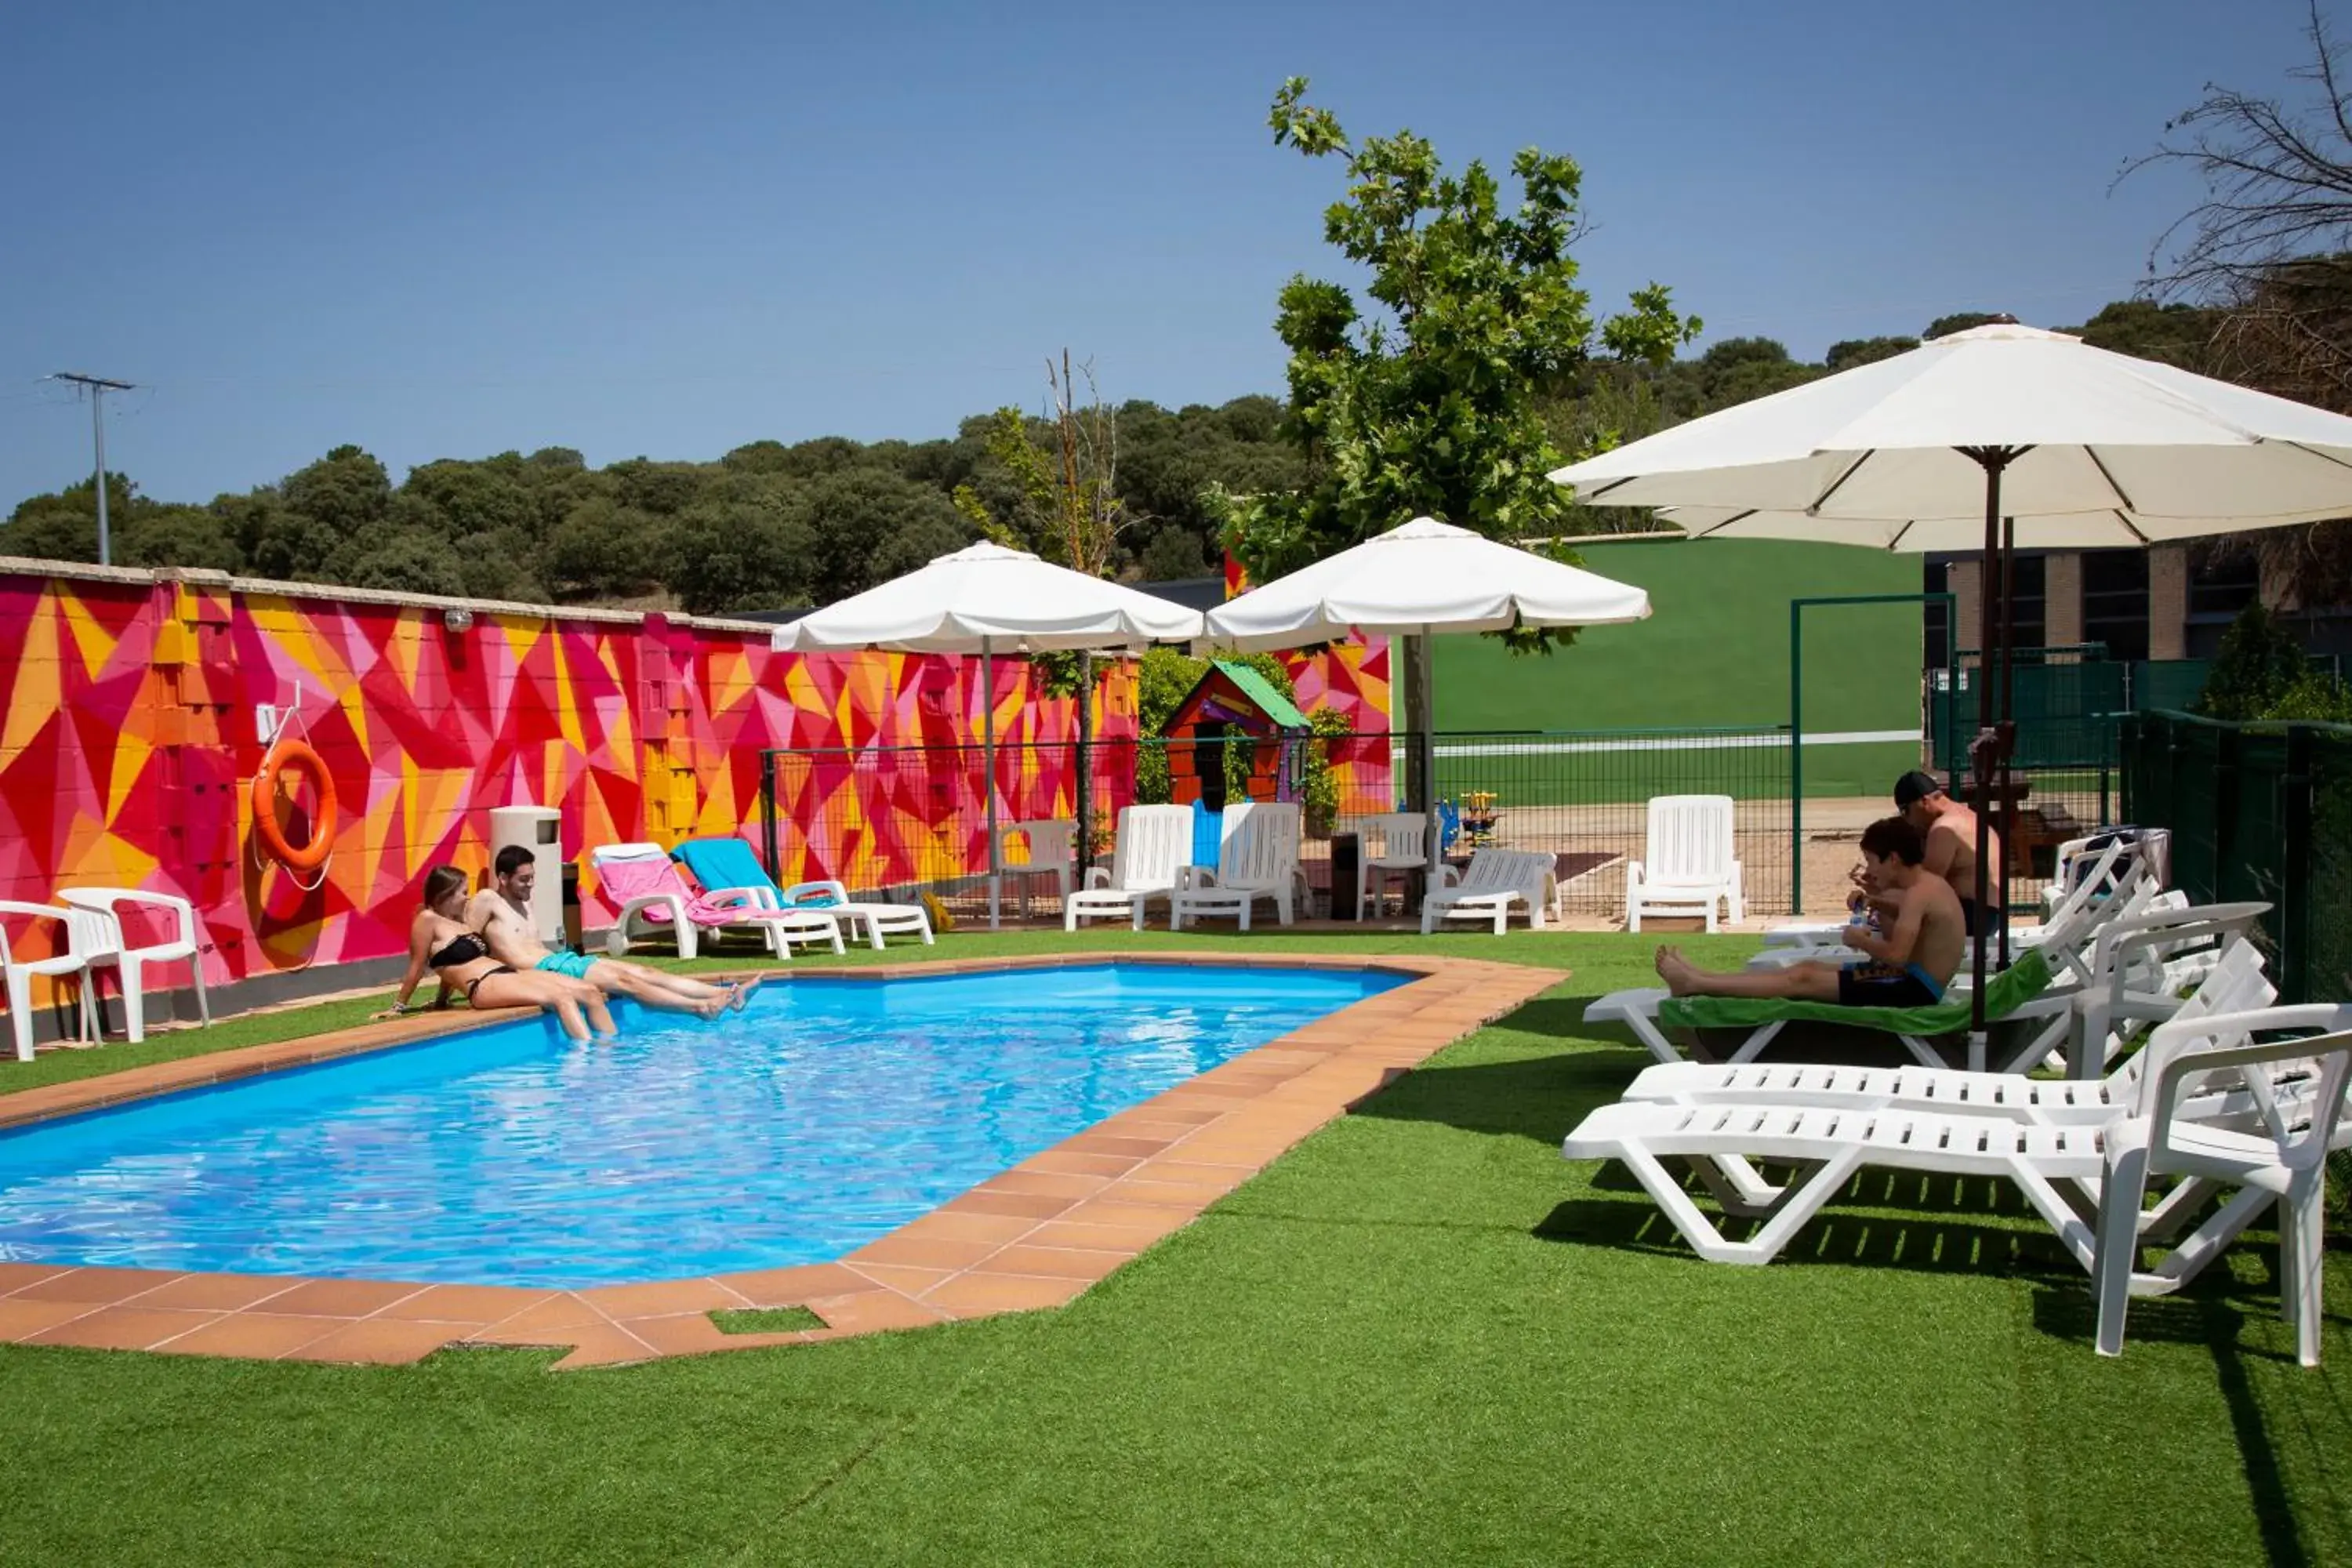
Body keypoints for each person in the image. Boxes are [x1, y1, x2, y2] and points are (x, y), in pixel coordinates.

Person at [1656, 816, 1964, 1007]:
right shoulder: (1927, 886)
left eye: (1871, 860)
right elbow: (1919, 919)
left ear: (1893, 859)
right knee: (1805, 967)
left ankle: (1697, 984)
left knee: (1803, 978)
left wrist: (1859, 939)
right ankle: (1701, 977)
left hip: (1912, 988)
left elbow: (1896, 955)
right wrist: (1875, 901)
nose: (1869, 869)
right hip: (1913, 981)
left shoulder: (1918, 894)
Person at [464, 846, 755, 1021]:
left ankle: (725, 994)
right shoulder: (487, 899)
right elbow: (461, 946)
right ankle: (700, 1008)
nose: (529, 885)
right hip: (544, 969)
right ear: (502, 877)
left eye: (532, 878)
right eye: (523, 879)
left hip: (560, 961)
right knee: (626, 982)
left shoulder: (523, 904)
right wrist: (454, 989)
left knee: (644, 972)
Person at [376, 865, 618, 1042]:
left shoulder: (459, 923)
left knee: (588, 991)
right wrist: (398, 1006)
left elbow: (448, 966)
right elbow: (418, 966)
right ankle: (588, 1063)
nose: (467, 897)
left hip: (506, 974)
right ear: (445, 896)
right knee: (562, 998)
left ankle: (611, 1055)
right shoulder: (427, 919)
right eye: (463, 892)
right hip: (483, 985)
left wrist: (441, 1001)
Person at [1893, 768, 2004, 937]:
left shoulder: (1944, 828)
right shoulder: (1966, 816)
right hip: (1990, 913)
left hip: (1974, 916)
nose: (1907, 820)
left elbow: (1925, 887)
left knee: (1895, 919)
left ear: (1924, 801)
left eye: (1905, 811)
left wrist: (1880, 889)